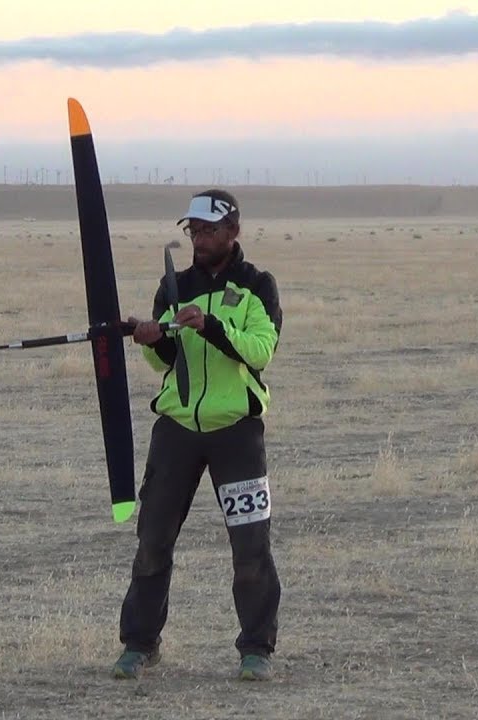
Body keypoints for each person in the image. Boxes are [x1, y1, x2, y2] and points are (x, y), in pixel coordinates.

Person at [113, 189, 283, 682]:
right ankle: (140, 644)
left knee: (250, 546)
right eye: (194, 230)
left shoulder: (257, 286)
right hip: (177, 430)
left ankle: (256, 649)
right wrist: (152, 339)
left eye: (209, 230)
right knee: (153, 541)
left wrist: (211, 326)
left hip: (237, 433)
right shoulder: (174, 286)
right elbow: (168, 362)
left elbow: (260, 350)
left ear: (233, 231)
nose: (199, 239)